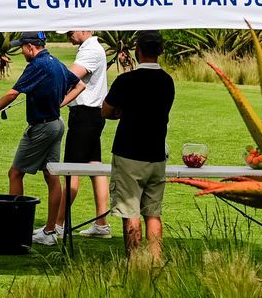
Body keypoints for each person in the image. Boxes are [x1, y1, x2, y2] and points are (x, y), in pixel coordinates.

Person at [0, 32, 80, 246]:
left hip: (42, 128)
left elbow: (13, 93)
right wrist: (60, 103)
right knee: (51, 175)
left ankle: (16, 229)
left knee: (15, 173)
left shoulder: (37, 65)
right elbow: (79, 85)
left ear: (30, 47)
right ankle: (50, 231)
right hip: (56, 123)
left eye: (22, 47)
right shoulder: (55, 62)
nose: (21, 51)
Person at [103, 32, 176, 263]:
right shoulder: (167, 81)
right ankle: (155, 261)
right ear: (160, 51)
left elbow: (106, 111)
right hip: (156, 154)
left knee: (130, 212)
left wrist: (123, 111)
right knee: (153, 213)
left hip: (129, 153)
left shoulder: (126, 80)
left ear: (137, 50)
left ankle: (134, 262)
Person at [60, 29, 112, 237]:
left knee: (71, 170)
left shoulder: (90, 50)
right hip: (92, 114)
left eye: (70, 32)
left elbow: (69, 77)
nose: (68, 36)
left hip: (85, 115)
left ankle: (57, 225)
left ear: (84, 29)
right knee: (95, 166)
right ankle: (101, 224)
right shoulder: (89, 48)